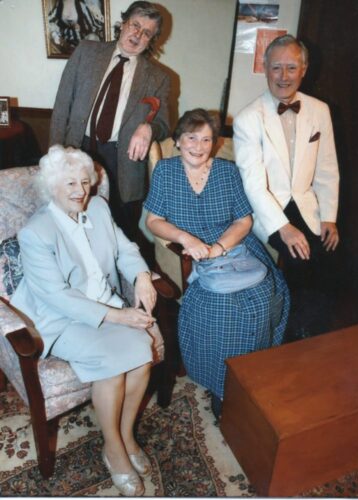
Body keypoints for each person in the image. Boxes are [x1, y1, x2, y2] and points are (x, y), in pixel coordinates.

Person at [11, 145, 164, 496]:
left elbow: (125, 250)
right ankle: (113, 451)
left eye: (84, 181)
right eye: (69, 184)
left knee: (142, 352)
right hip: (60, 318)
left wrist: (141, 276)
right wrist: (119, 315)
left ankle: (125, 436)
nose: (80, 190)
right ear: (52, 187)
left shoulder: (97, 206)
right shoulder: (36, 232)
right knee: (112, 365)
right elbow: (56, 297)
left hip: (104, 303)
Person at [144, 109, 289, 418]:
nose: (198, 146)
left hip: (234, 248)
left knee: (266, 294)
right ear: (178, 141)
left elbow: (244, 220)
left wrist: (221, 246)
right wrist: (187, 239)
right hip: (192, 254)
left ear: (215, 143)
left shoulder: (227, 171)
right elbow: (153, 221)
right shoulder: (166, 172)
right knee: (220, 307)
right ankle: (222, 386)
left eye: (206, 139)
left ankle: (249, 378)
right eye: (191, 138)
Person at [233, 34, 340, 340]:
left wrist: (329, 217)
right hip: (269, 207)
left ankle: (313, 340)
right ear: (265, 68)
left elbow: (327, 169)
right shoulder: (247, 119)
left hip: (306, 204)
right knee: (301, 260)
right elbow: (253, 184)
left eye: (291, 68)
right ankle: (292, 344)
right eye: (276, 68)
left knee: (329, 262)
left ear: (303, 69)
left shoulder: (320, 111)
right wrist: (283, 227)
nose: (283, 76)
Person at [49, 1, 170, 242]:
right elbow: (62, 105)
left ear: (152, 40)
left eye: (146, 33)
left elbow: (165, 124)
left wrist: (148, 127)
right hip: (76, 150)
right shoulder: (86, 52)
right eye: (135, 25)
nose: (137, 35)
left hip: (121, 163)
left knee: (119, 233)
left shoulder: (159, 77)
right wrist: (54, 155)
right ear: (123, 23)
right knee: (69, 224)